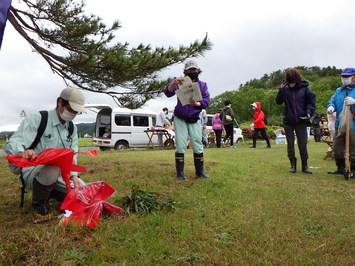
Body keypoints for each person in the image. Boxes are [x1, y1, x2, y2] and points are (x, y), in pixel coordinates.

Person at [5, 87, 86, 218]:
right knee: (52, 169)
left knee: (83, 191)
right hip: (33, 172)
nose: (73, 114)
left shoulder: (72, 128)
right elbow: (12, 143)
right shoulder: (38, 119)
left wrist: (74, 176)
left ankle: (53, 192)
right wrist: (22, 152)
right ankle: (39, 202)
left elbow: (73, 155)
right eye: (71, 109)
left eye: (77, 112)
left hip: (60, 174)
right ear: (60, 103)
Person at [164, 59, 210, 180]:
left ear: (198, 70)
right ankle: (180, 173)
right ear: (185, 71)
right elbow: (167, 92)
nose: (192, 71)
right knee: (180, 144)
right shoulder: (179, 81)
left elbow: (206, 101)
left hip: (194, 117)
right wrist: (173, 83)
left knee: (197, 143)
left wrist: (197, 104)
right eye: (189, 70)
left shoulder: (202, 85)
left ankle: (199, 171)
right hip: (180, 117)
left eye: (194, 69)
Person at [276, 68, 316, 174]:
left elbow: (311, 102)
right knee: (290, 144)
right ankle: (292, 165)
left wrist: (308, 112)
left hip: (301, 120)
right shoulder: (285, 89)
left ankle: (305, 166)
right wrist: (281, 89)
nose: (291, 83)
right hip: (288, 120)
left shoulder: (305, 89)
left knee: (302, 144)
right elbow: (278, 101)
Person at [327, 67, 355, 175]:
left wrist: (354, 101)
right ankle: (341, 168)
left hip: (353, 124)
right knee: (338, 147)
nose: (344, 79)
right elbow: (332, 101)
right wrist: (331, 107)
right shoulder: (339, 90)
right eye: (343, 77)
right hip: (340, 123)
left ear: (353, 77)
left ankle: (352, 170)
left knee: (353, 147)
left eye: (347, 77)